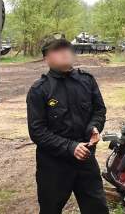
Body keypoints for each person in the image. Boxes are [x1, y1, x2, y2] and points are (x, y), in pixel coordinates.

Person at [26, 34, 109, 214]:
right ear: (46, 58)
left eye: (66, 49)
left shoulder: (86, 80)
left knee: (97, 208)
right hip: (53, 165)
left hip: (86, 159)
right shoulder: (39, 90)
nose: (64, 53)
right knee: (50, 209)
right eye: (57, 50)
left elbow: (99, 110)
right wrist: (70, 147)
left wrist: (94, 128)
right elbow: (37, 131)